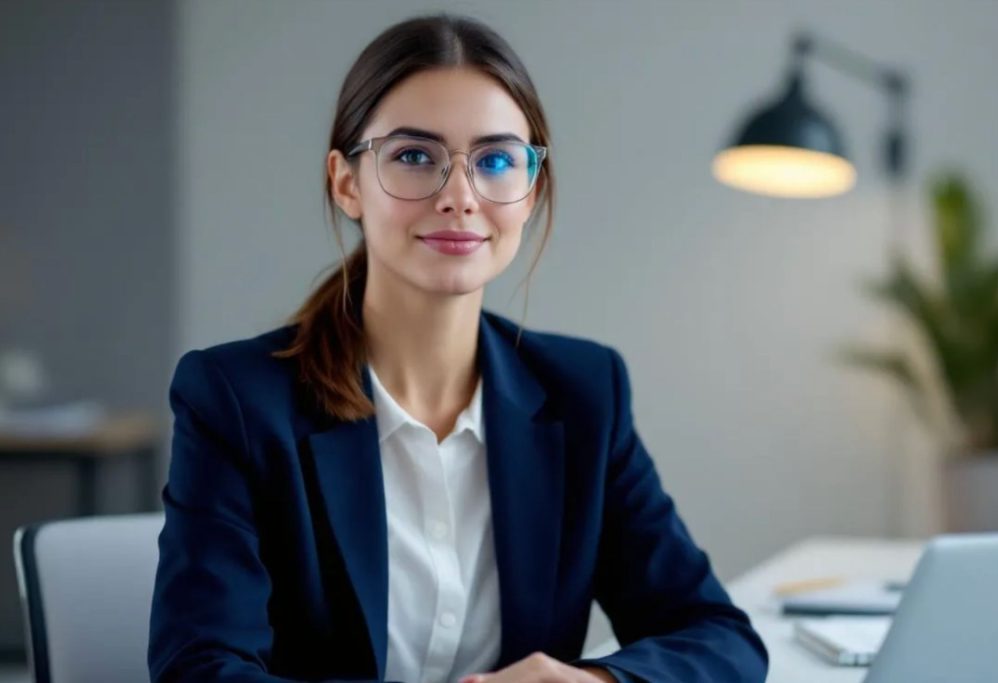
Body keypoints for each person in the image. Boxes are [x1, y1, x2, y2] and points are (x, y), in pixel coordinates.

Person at [148, 13, 768, 683]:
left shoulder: (585, 392)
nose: (459, 197)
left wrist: (595, 682)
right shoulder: (237, 400)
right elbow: (200, 669)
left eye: (496, 160)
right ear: (347, 181)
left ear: (531, 189)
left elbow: (717, 637)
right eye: (415, 156)